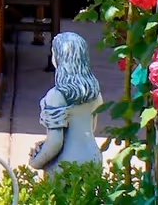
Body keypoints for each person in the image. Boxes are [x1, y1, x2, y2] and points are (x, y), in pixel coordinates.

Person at [28, 31, 103, 174]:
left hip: (65, 164)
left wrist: (36, 161)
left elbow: (55, 142)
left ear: (60, 58)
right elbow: (91, 129)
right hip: (93, 158)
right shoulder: (94, 93)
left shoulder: (56, 96)